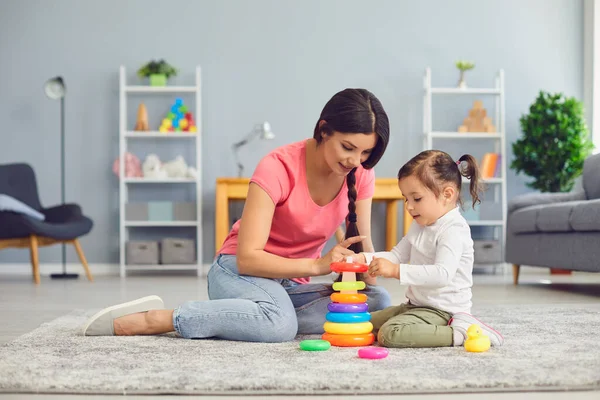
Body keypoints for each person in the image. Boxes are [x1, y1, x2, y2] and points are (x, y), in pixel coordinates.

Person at [83, 88, 392, 341]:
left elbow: (362, 246)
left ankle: (247, 315)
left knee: (376, 302)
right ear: (324, 130)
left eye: (365, 153)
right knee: (281, 325)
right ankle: (158, 319)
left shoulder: (361, 173)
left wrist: (369, 265)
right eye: (348, 147)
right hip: (238, 271)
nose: (356, 160)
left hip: (290, 285)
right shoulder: (277, 166)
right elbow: (248, 258)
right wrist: (318, 264)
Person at [352, 150, 504, 348]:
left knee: (390, 334)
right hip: (414, 306)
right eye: (406, 198)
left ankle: (461, 333)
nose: (409, 206)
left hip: (443, 311)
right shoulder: (421, 223)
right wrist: (363, 258)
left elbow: (442, 274)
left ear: (447, 194)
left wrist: (396, 271)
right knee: (362, 323)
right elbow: (396, 255)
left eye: (416, 199)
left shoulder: (453, 229)